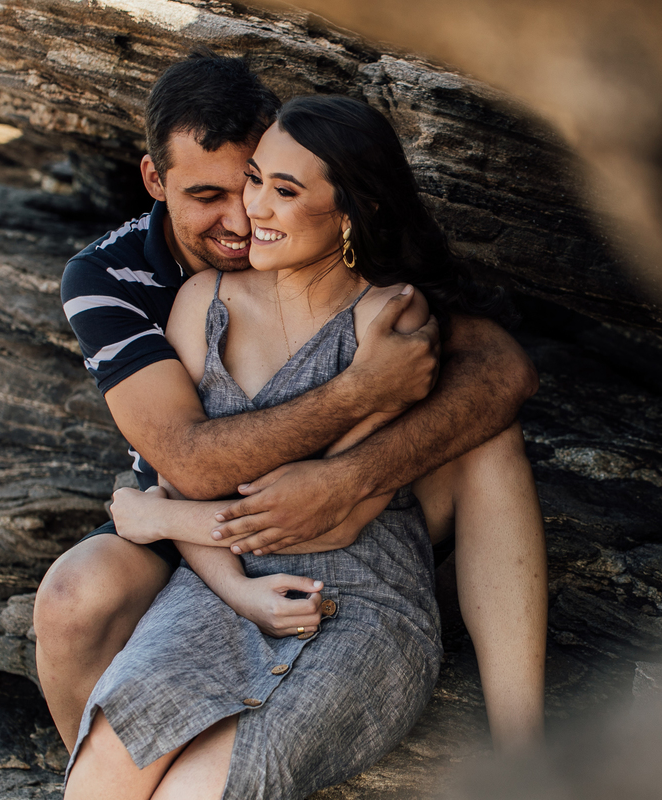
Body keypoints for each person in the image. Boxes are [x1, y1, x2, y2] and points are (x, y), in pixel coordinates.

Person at [41, 49, 547, 759]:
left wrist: (351, 477)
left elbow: (499, 367)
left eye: (252, 181)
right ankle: (106, 769)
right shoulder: (108, 277)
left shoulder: (326, 240)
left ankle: (527, 753)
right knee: (70, 599)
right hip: (191, 517)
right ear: (155, 180)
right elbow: (186, 458)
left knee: (488, 432)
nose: (241, 221)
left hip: (362, 518)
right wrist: (359, 392)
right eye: (205, 196)